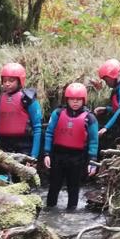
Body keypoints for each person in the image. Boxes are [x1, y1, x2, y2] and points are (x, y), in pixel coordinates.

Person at [43, 82, 99, 211]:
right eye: (72, 99)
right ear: (67, 99)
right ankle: (50, 209)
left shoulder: (90, 118)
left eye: (78, 99)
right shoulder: (58, 113)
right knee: (54, 185)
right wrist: (46, 153)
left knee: (73, 187)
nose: (75, 102)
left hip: (77, 158)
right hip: (58, 156)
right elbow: (49, 133)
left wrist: (93, 161)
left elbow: (94, 141)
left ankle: (71, 212)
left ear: (84, 100)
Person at [0, 62, 42, 159]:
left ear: (20, 81)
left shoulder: (28, 99)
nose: (7, 84)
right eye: (4, 81)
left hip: (24, 146)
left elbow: (37, 129)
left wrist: (34, 156)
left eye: (11, 80)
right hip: (3, 145)